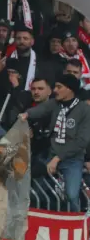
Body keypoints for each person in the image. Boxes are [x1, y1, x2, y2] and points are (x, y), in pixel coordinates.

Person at [21, 74, 90, 211]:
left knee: (71, 195)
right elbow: (40, 110)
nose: (55, 90)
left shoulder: (85, 110)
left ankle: (75, 223)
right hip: (50, 155)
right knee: (25, 180)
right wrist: (26, 115)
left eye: (59, 87)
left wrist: (58, 158)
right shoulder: (54, 104)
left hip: (72, 160)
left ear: (69, 89)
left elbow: (81, 141)